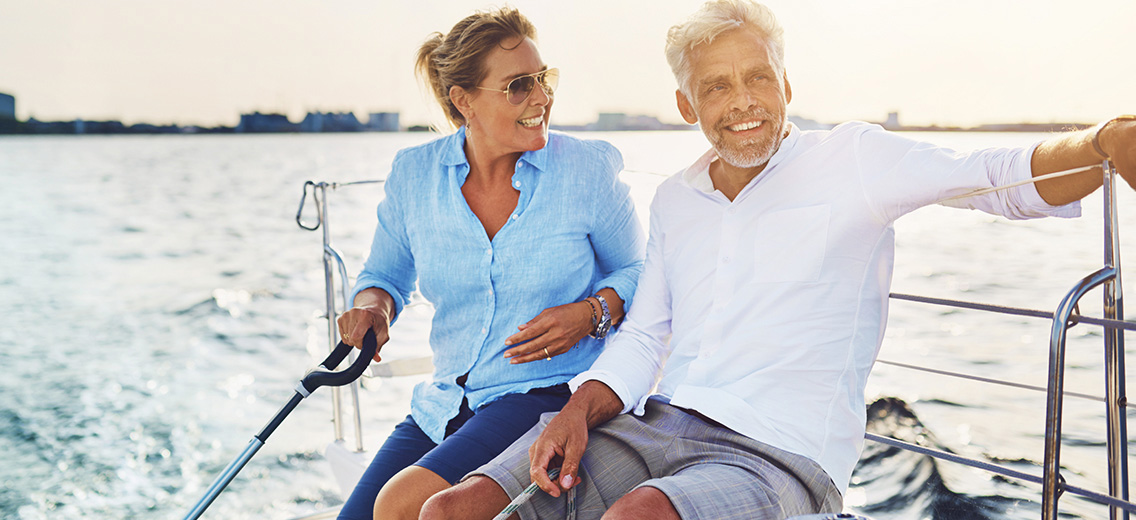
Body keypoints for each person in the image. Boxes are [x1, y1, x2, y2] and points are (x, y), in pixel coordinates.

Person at [419, 1, 1136, 519]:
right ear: (684, 103)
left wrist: (1104, 142)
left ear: (787, 83)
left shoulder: (852, 160)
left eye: (758, 78)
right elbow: (645, 336)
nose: (744, 103)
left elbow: (998, 175)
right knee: (451, 510)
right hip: (654, 426)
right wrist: (578, 407)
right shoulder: (676, 198)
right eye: (717, 87)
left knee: (637, 518)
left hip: (776, 456)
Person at [333, 7, 645, 520]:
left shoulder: (586, 169)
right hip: (443, 402)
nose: (542, 98)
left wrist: (591, 313)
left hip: (541, 394)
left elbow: (640, 272)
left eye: (544, 80)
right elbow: (383, 278)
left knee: (402, 506)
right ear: (463, 101)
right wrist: (374, 309)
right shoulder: (414, 175)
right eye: (519, 86)